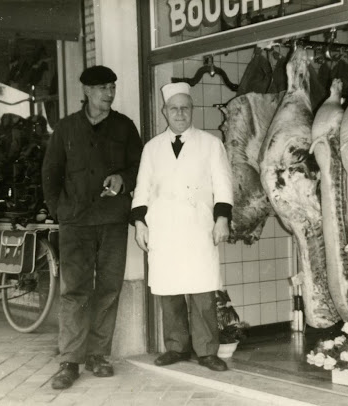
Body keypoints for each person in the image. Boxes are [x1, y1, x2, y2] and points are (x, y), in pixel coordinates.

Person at [42, 65, 143, 389]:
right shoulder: (66, 128)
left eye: (112, 87)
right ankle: (69, 361)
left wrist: (123, 180)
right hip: (76, 224)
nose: (110, 93)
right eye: (102, 88)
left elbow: (139, 165)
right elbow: (50, 173)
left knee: (109, 289)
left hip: (112, 221)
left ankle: (99, 355)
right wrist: (60, 211)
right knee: (75, 292)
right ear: (86, 91)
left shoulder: (125, 127)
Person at [130, 82, 233, 372]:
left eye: (185, 108)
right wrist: (140, 223)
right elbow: (142, 188)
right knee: (169, 290)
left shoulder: (210, 144)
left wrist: (222, 218)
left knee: (202, 292)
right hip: (163, 227)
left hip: (198, 227)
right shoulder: (152, 148)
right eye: (174, 108)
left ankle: (207, 351)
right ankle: (176, 347)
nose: (179, 113)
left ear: (192, 110)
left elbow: (223, 184)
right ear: (165, 111)